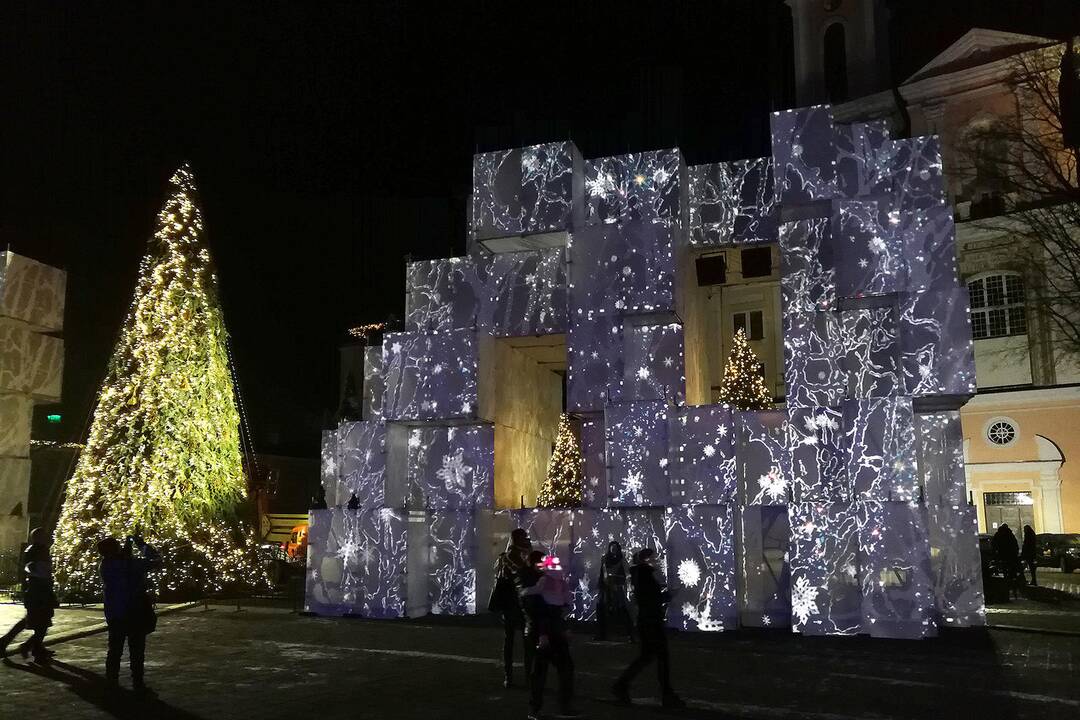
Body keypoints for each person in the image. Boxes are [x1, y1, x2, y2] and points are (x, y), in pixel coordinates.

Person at [612, 548, 685, 709]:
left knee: (647, 657)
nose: (657, 560)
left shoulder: (641, 574)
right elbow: (650, 598)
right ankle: (666, 694)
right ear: (646, 560)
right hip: (651, 621)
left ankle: (622, 685)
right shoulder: (645, 575)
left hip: (647, 620)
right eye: (654, 558)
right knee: (660, 657)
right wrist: (668, 595)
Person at [98, 535, 161, 692]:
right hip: (134, 611)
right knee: (137, 650)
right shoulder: (131, 564)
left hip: (115, 612)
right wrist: (140, 544)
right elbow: (156, 560)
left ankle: (111, 682)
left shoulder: (105, 565)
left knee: (115, 650)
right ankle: (137, 683)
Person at [523, 553, 578, 720]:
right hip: (548, 628)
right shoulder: (543, 582)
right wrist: (543, 633)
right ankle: (537, 708)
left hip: (554, 628)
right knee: (543, 669)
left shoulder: (554, 582)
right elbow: (538, 611)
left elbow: (564, 604)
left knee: (562, 667)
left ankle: (559, 706)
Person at [0, 527, 58, 663]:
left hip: (38, 590)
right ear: (38, 537)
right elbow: (33, 569)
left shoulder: (37, 549)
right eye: (44, 536)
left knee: (36, 621)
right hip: (38, 591)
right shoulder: (36, 550)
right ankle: (31, 648)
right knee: (41, 622)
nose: (47, 538)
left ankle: (31, 647)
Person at [490, 528, 532, 687]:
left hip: (522, 602)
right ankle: (509, 676)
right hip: (511, 602)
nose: (526, 541)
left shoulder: (522, 555)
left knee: (524, 640)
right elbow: (520, 572)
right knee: (511, 639)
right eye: (523, 538)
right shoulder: (507, 557)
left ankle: (526, 675)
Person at [595, 541, 633, 642]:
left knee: (622, 609)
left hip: (617, 587)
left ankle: (629, 633)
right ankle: (601, 633)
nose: (613, 549)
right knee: (601, 608)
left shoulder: (621, 560)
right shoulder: (605, 559)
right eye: (612, 547)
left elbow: (627, 573)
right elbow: (603, 573)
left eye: (615, 547)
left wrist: (624, 583)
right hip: (605, 588)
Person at [991, 524, 1022, 597]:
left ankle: (1007, 585)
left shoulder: (998, 534)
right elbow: (1015, 544)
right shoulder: (1009, 534)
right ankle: (1013, 585)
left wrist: (996, 555)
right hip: (1011, 556)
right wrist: (1015, 553)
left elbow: (994, 545)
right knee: (1012, 571)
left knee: (1005, 571)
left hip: (1003, 556)